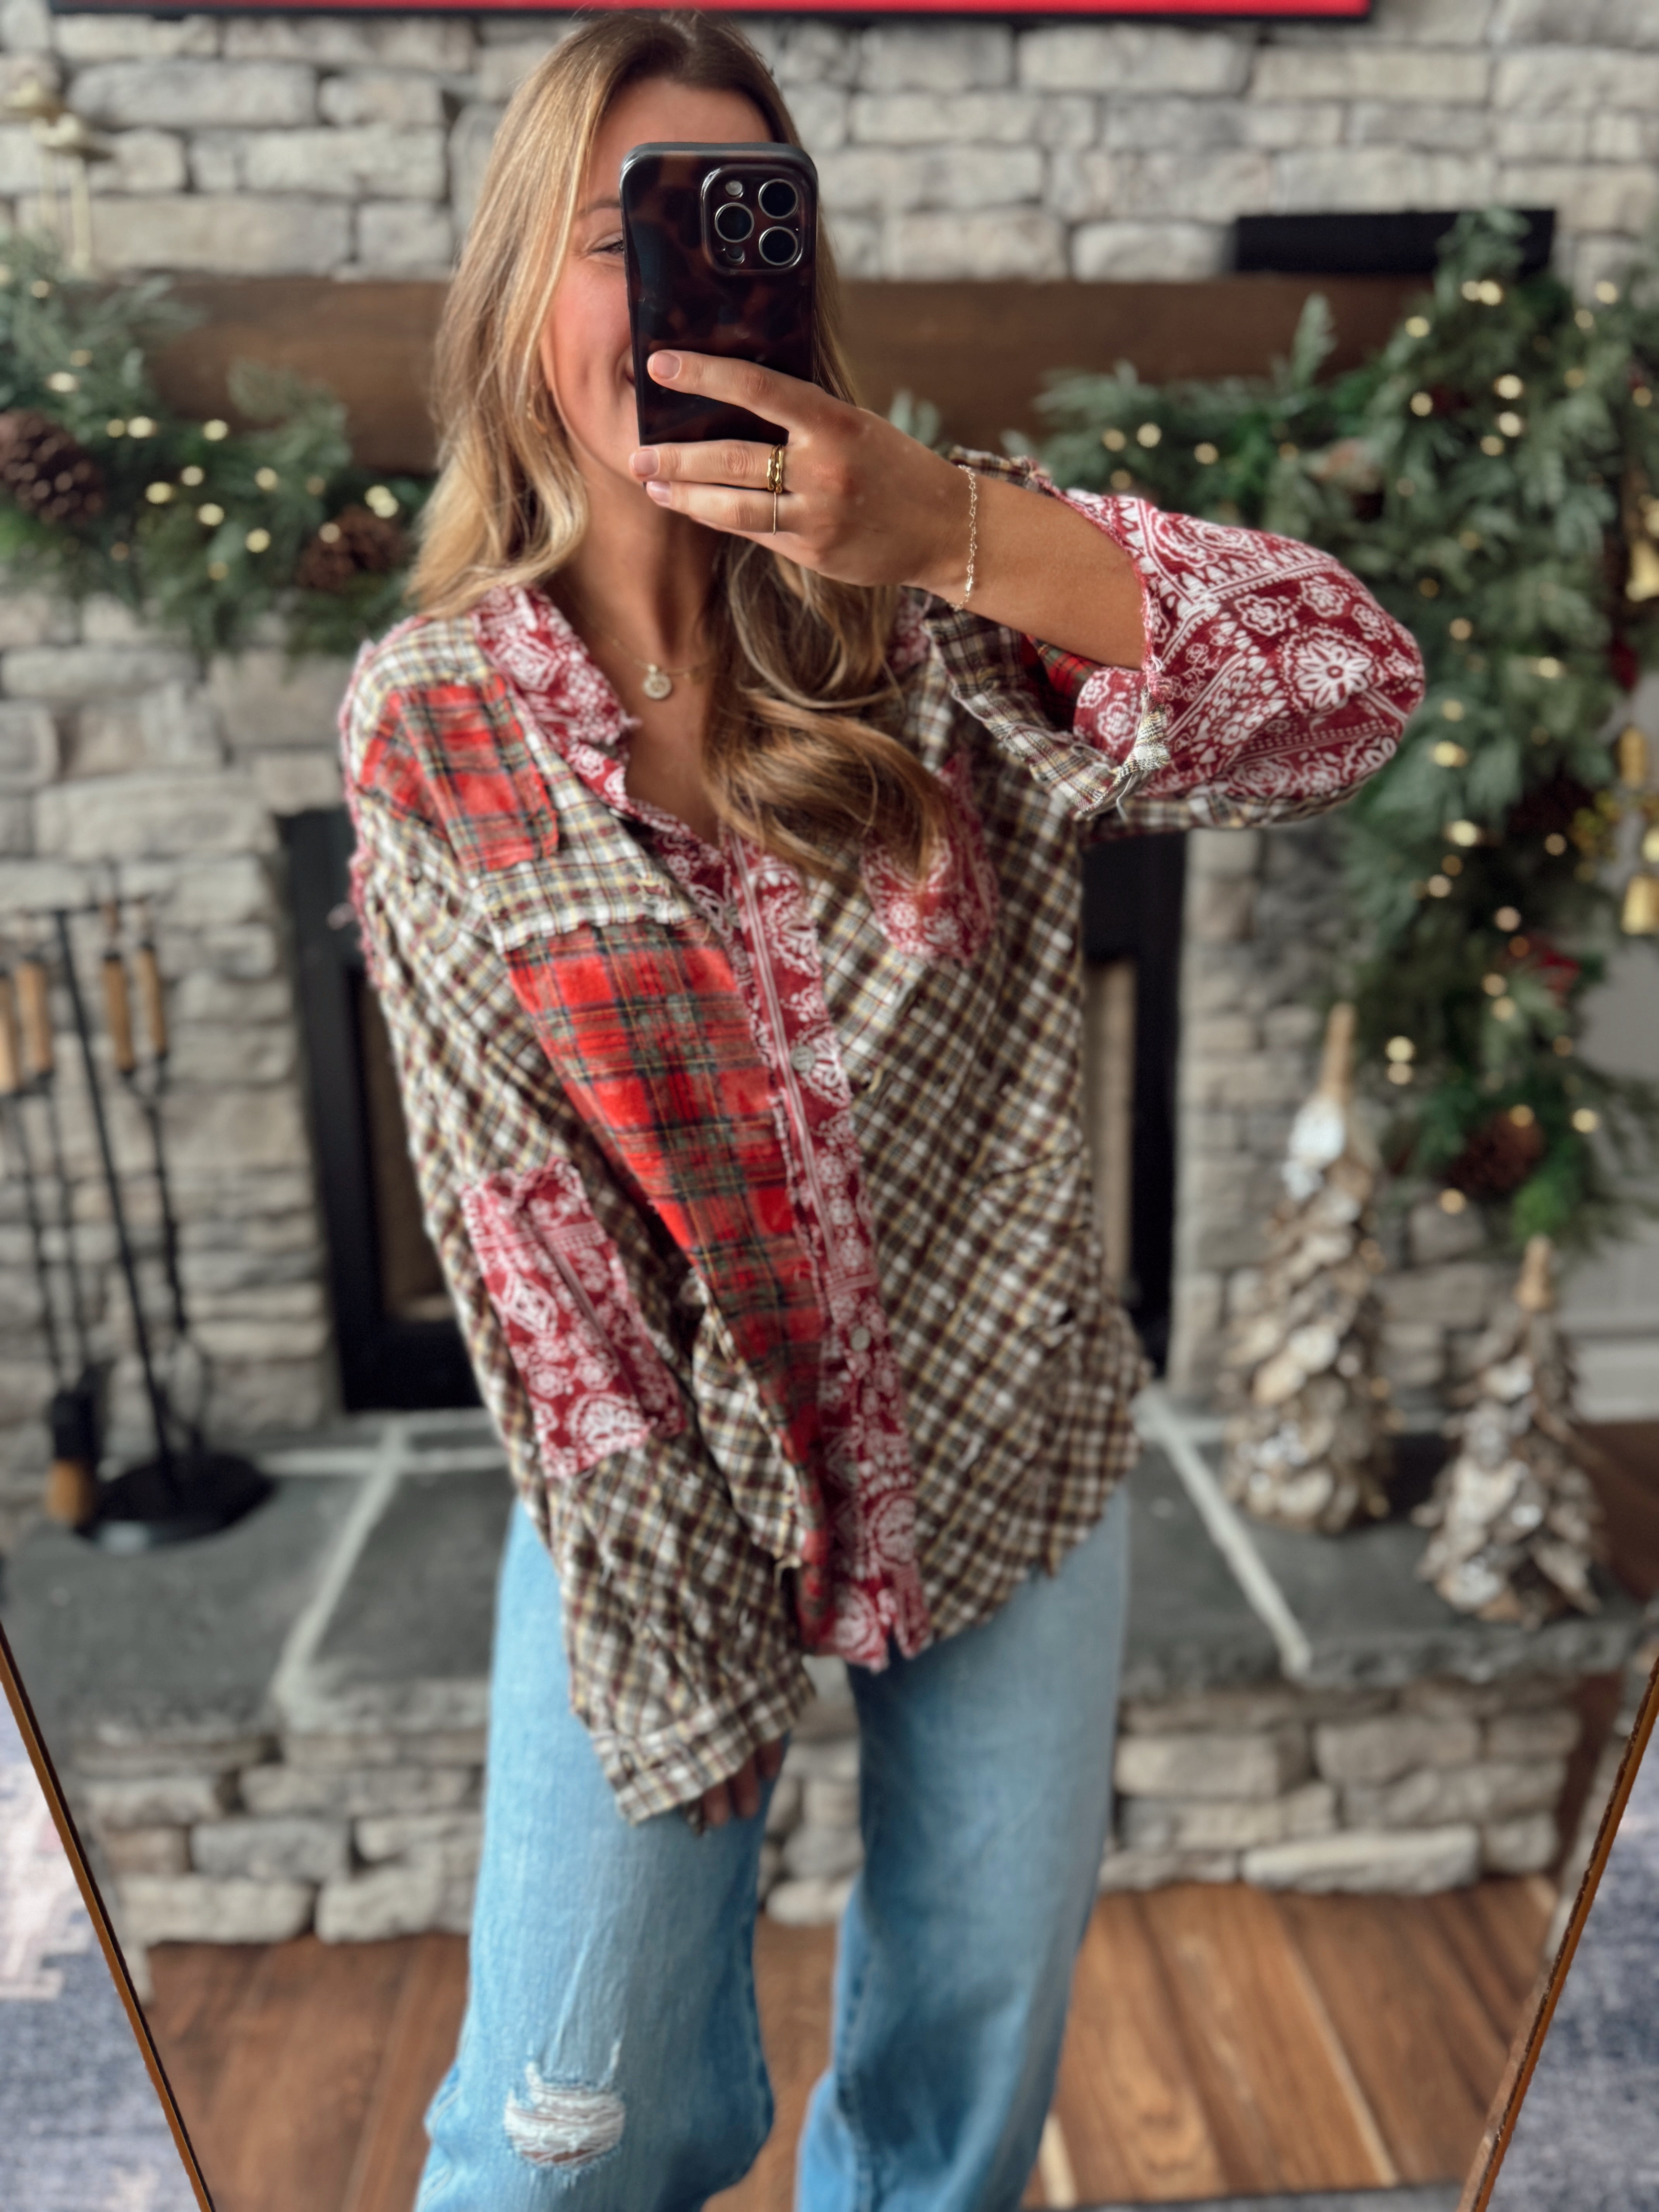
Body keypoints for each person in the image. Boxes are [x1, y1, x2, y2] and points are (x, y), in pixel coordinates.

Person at [340, 15, 1423, 2209]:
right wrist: (680, 1672)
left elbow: (1353, 689)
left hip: (1010, 1439)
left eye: (724, 229)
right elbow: (532, 1254)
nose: (668, 290)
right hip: (660, 1484)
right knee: (558, 2137)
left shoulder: (938, 611)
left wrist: (943, 523)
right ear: (513, 295)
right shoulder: (431, 721)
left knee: (957, 2113)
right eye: (610, 235)